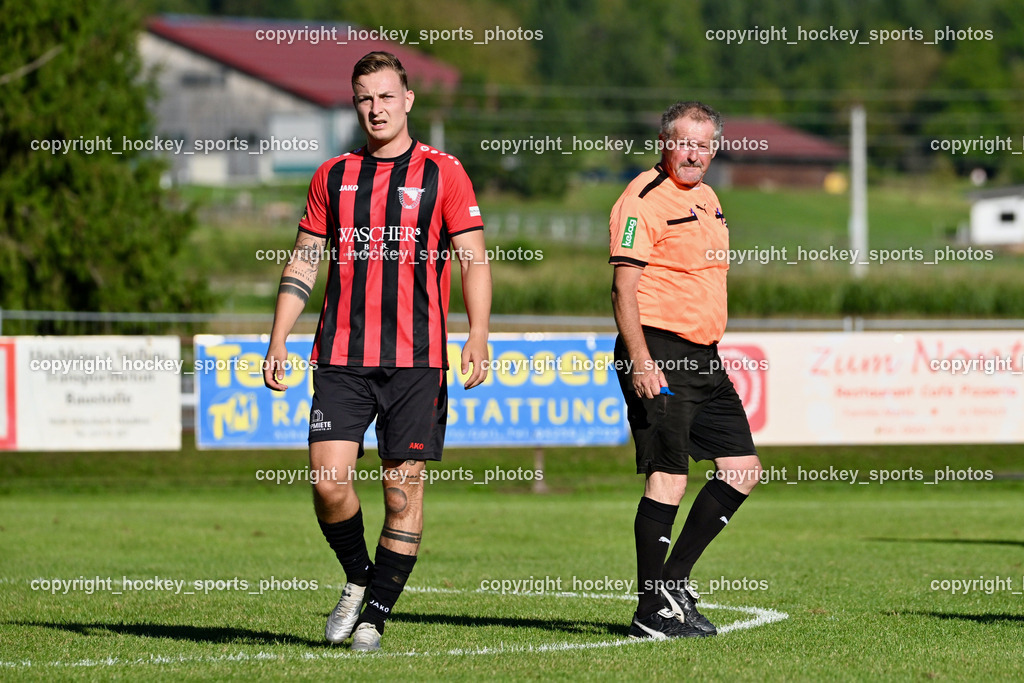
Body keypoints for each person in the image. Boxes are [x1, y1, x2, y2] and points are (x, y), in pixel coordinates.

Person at [263, 51, 491, 652]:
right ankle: (360, 579)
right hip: (340, 355)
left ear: (408, 100)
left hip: (417, 361)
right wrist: (278, 335)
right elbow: (304, 259)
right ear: (354, 102)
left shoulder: (445, 173)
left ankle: (374, 617)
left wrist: (478, 333)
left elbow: (473, 259)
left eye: (387, 96)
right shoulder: (332, 176)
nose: (376, 108)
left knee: (401, 488)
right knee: (328, 481)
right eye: (365, 97)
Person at [608, 101, 762, 640]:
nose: (692, 153)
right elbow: (623, 287)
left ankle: (673, 582)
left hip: (704, 355)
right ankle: (649, 612)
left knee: (742, 468)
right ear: (664, 142)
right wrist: (643, 361)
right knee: (668, 477)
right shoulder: (640, 199)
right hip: (657, 349)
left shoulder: (709, 197)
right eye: (682, 142)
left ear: (714, 148)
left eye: (702, 144)